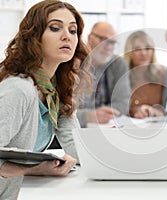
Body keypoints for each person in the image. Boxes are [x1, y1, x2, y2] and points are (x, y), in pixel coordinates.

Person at [0, 0, 92, 198]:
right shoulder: (18, 89)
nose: (67, 35)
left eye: (73, 30)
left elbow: (76, 147)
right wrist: (35, 169)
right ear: (35, 36)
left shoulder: (54, 89)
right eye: (55, 28)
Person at [77, 22, 131, 127]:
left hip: (105, 128)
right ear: (90, 38)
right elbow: (61, 111)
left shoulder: (118, 64)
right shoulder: (72, 63)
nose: (108, 47)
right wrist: (88, 116)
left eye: (113, 42)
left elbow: (123, 104)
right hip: (73, 130)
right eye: (103, 40)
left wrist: (104, 115)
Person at [124, 30, 167, 118]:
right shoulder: (122, 75)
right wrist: (136, 110)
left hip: (158, 123)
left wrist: (157, 111)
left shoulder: (164, 72)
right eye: (137, 49)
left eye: (147, 48)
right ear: (129, 52)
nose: (143, 53)